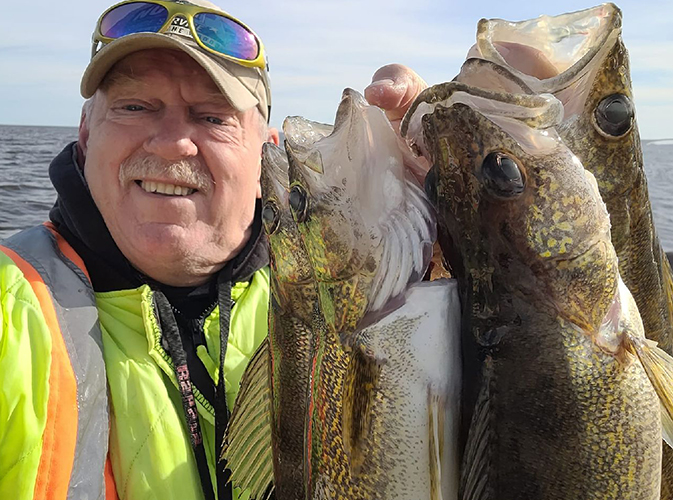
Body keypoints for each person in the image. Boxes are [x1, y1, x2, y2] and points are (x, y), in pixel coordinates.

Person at [0, 0, 427, 499]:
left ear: (267, 154)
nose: (171, 143)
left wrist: (458, 225)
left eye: (211, 116)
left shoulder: (365, 291)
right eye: (135, 107)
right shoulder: (12, 310)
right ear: (86, 132)